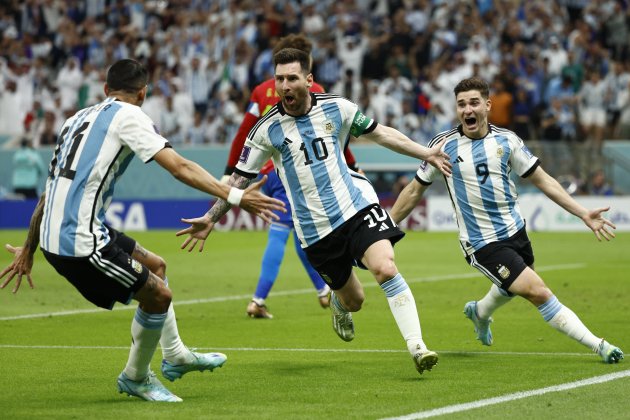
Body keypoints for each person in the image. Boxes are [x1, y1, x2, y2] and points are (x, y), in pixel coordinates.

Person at [0, 59, 285, 402]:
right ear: (143, 93)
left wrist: (30, 249)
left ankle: (176, 353)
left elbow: (49, 190)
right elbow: (178, 167)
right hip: (78, 242)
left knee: (157, 267)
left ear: (105, 90)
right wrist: (235, 195)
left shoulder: (74, 120)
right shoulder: (130, 115)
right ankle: (135, 377)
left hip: (61, 231)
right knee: (159, 297)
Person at [178, 48, 453, 375]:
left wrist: (427, 152)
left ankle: (417, 347)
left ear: (308, 80)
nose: (284, 86)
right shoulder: (267, 130)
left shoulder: (337, 107)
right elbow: (239, 179)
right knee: (355, 300)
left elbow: (382, 133)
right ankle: (338, 302)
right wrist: (211, 217)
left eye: (292, 78)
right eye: (279, 79)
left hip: (355, 208)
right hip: (315, 231)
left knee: (386, 268)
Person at [389, 77, 624, 364]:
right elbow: (414, 190)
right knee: (537, 291)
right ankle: (599, 345)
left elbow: (543, 180)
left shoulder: (507, 141)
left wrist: (582, 212)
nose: (467, 110)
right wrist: (385, 225)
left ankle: (480, 312)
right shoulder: (443, 146)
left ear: (487, 105)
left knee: (511, 286)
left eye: (474, 102)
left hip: (515, 231)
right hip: (481, 242)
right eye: (461, 104)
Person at [222, 34, 357, 319]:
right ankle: (258, 300)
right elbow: (334, 139)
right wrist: (353, 166)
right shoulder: (315, 88)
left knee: (302, 236)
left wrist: (228, 171)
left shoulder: (261, 90)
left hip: (268, 172)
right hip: (296, 173)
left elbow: (244, 132)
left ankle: (323, 291)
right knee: (282, 232)